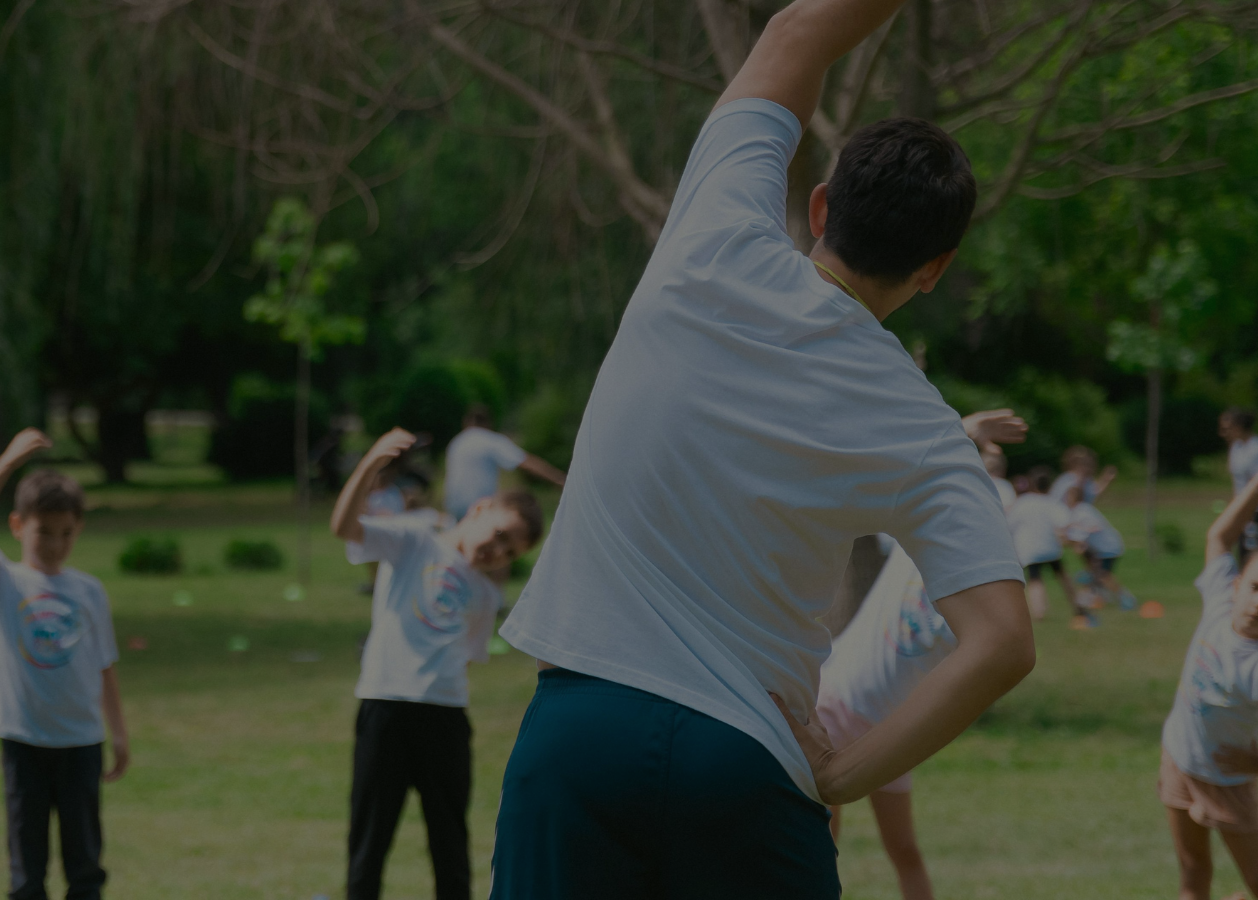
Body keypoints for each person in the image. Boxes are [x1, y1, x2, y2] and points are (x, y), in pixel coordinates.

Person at [486, 1, 1037, 893]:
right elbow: (1003, 642)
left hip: (578, 736)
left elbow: (797, 32)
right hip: (745, 761)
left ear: (819, 206)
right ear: (935, 269)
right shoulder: (923, 424)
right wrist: (846, 773)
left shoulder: (712, 239)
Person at [330, 428, 543, 900]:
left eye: (510, 552)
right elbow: (345, 528)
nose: (498, 552)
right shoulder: (414, 541)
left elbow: (466, 656)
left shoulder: (485, 594)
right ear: (480, 508)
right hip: (385, 706)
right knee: (369, 842)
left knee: (449, 846)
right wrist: (369, 465)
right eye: (501, 535)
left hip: (445, 717)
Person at [0, 429, 129, 900]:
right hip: (24, 742)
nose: (54, 544)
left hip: (81, 743)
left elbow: (104, 665)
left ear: (79, 530)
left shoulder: (89, 590)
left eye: (66, 533)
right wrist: (6, 463)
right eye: (43, 532)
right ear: (17, 526)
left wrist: (120, 732)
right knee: (27, 872)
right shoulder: (3, 581)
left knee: (85, 867)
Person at [1161, 448, 1258, 900]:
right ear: (1236, 586)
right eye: (1254, 588)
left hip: (1228, 781)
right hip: (1179, 757)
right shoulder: (1218, 602)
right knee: (1193, 875)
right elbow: (1220, 535)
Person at [812, 538, 942, 900]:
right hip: (834, 703)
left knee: (903, 848)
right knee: (821, 845)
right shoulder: (914, 540)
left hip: (892, 732)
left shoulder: (973, 610)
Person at [440, 406, 565, 521]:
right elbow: (525, 462)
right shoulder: (490, 439)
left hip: (453, 506)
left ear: (465, 422)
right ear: (488, 423)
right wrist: (559, 479)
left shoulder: (456, 442)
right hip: (479, 505)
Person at [1010, 469, 1090, 628]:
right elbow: (1064, 523)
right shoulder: (1052, 503)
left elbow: (1011, 523)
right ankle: (1078, 605)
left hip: (1029, 548)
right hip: (1050, 547)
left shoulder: (1023, 502)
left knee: (1035, 580)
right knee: (1063, 576)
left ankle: (1039, 612)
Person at [1061, 483, 1153, 618]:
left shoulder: (1082, 511)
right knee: (1095, 574)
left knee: (1103, 576)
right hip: (1104, 548)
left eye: (1068, 496)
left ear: (1075, 498)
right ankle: (1096, 597)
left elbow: (1091, 528)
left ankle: (1127, 600)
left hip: (1108, 547)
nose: (1066, 499)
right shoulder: (1079, 511)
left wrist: (1073, 539)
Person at [1220, 407, 1258, 550]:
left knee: (1254, 551)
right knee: (1241, 549)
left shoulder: (1257, 449)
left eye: (1227, 428)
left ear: (1239, 427)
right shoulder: (1236, 447)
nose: (1223, 433)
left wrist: (1250, 507)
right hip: (1243, 506)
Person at [1048, 445, 1116, 507]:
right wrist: (1080, 482)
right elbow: (1072, 502)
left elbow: (1093, 493)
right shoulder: (1068, 479)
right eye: (1087, 464)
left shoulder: (1087, 480)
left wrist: (1106, 480)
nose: (1090, 468)